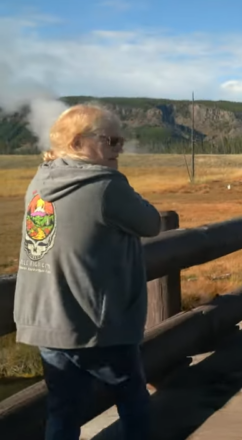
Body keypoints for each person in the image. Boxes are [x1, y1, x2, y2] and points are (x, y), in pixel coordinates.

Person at [13, 104, 161, 440]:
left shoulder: (40, 180)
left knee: (63, 410)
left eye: (121, 141)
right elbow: (150, 223)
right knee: (133, 400)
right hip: (97, 324)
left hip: (46, 322)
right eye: (111, 141)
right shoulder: (106, 184)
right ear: (78, 142)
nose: (119, 149)